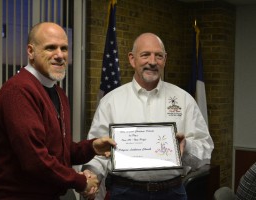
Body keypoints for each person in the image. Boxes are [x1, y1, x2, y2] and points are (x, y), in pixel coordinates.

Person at [0, 22, 116, 200]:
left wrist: (92, 147)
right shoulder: (18, 91)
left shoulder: (57, 92)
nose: (60, 55)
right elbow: (35, 159)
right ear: (30, 51)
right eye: (51, 48)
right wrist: (80, 181)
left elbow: (58, 152)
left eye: (64, 48)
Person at [82, 33, 214, 200]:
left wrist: (185, 147)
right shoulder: (111, 101)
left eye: (158, 56)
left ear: (165, 60)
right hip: (124, 193)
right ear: (132, 59)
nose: (152, 62)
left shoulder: (184, 100)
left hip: (172, 193)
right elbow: (98, 152)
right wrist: (91, 175)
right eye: (145, 55)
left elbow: (205, 150)